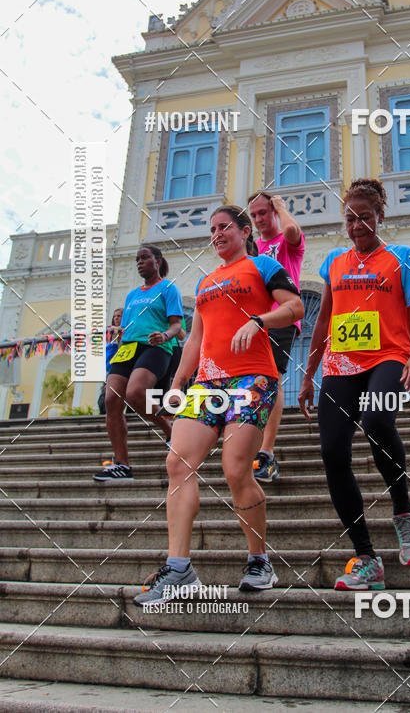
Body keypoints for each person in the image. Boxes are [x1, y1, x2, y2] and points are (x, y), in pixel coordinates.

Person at [133, 206, 303, 603]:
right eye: (211, 229)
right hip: (208, 382)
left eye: (224, 226)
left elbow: (294, 308)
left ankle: (259, 560)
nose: (217, 234)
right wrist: (176, 384)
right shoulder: (207, 281)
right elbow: (194, 340)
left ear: (245, 231)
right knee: (177, 463)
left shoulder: (262, 267)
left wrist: (259, 320)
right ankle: (179, 570)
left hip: (253, 378)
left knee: (235, 469)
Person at [298, 178, 410, 590]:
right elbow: (323, 320)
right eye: (350, 218)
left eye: (365, 217)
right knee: (332, 453)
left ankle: (405, 516)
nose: (357, 225)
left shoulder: (402, 257)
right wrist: (308, 373)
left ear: (380, 217)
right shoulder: (335, 262)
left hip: (389, 355)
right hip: (340, 364)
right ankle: (367, 558)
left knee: (376, 421)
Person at [93, 245, 183, 482]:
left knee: (135, 393)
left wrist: (164, 335)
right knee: (112, 400)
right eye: (137, 259)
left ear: (158, 261)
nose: (140, 262)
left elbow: (176, 325)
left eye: (145, 258)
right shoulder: (132, 295)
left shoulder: (167, 288)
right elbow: (127, 328)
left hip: (155, 347)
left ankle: (171, 433)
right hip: (127, 349)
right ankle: (122, 465)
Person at [248, 191, 305, 481]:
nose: (259, 219)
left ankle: (267, 452)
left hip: (282, 315)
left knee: (273, 377)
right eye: (254, 215)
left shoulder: (287, 241)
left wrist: (282, 207)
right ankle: (252, 444)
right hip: (255, 321)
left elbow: (293, 230)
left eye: (263, 212)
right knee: (254, 380)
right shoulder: (254, 247)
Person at [97, 307, 123, 416]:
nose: (116, 318)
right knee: (104, 396)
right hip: (108, 369)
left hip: (119, 368)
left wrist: (119, 336)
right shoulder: (109, 332)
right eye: (114, 316)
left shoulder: (125, 332)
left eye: (119, 316)